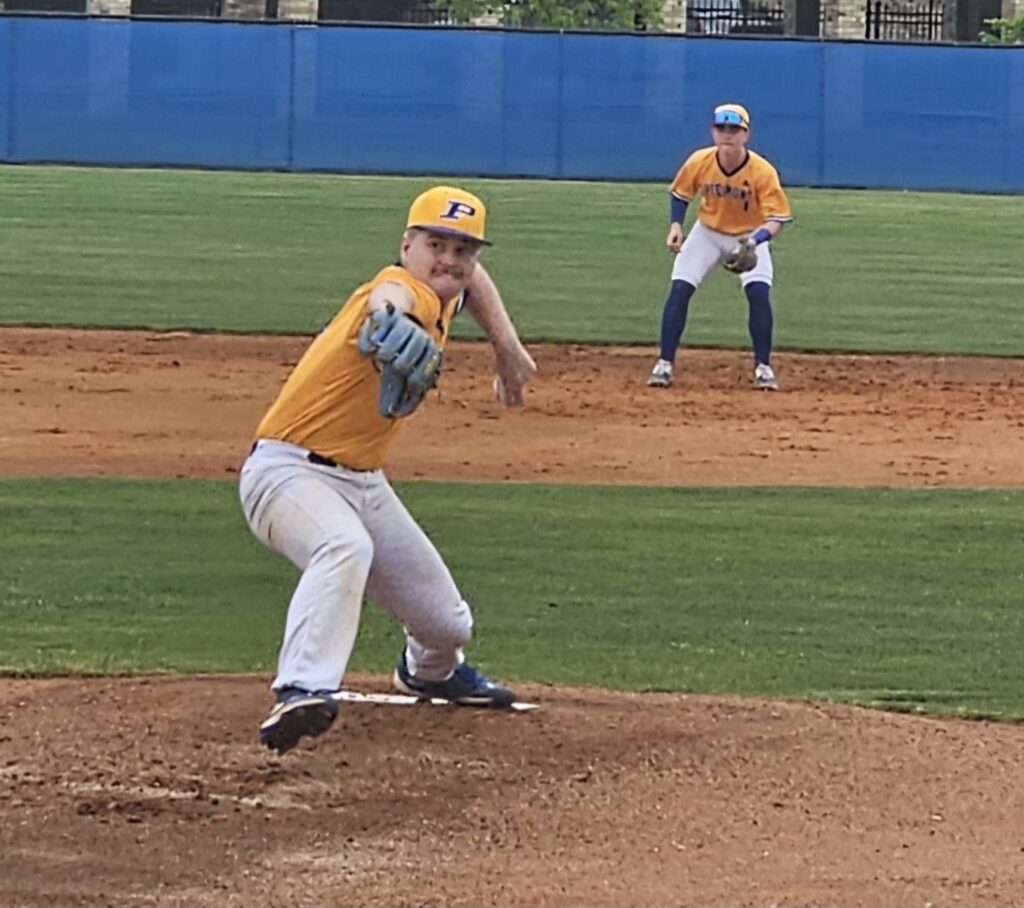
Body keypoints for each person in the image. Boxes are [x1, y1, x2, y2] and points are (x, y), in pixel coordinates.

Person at [239, 185, 537, 755]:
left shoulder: (448, 287)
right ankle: (302, 685)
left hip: (362, 482)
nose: (448, 260)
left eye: (462, 249)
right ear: (407, 246)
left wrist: (506, 346)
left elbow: (473, 283)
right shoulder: (400, 288)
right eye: (435, 245)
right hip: (285, 473)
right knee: (343, 547)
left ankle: (429, 672)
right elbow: (389, 297)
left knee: (448, 627)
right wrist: (387, 317)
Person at [647, 102, 793, 391]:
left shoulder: (762, 171)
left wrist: (753, 242)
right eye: (721, 128)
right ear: (713, 132)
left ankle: (763, 367)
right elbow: (680, 193)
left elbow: (777, 219)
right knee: (680, 288)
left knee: (759, 294)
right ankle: (664, 363)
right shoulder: (700, 161)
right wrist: (676, 225)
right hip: (707, 233)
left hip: (748, 235)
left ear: (746, 134)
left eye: (734, 129)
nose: (727, 134)